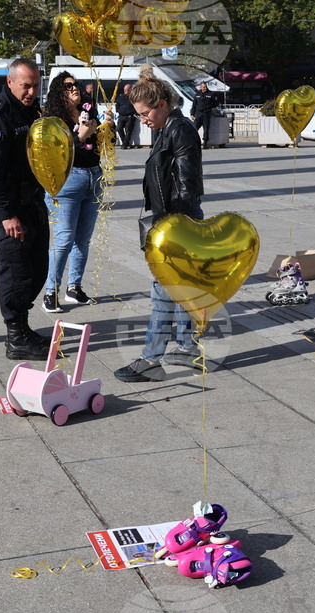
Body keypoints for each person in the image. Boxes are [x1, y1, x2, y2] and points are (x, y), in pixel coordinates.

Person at [114, 67, 204, 383]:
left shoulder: (180, 130)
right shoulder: (167, 129)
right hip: (172, 220)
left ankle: (151, 360)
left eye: (145, 113)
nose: (143, 120)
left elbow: (185, 184)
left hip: (178, 223)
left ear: (163, 102)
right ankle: (186, 349)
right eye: (138, 116)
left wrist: (170, 231)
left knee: (162, 291)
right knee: (178, 290)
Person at [0, 58, 54, 361]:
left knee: (38, 268)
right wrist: (6, 215)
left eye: (36, 85)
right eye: (26, 85)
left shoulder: (31, 110)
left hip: (32, 201)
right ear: (10, 82)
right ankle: (16, 335)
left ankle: (22, 323)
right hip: (10, 208)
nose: (32, 91)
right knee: (18, 271)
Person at [40, 73, 112, 314]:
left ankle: (74, 287)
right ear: (58, 92)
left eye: (76, 85)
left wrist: (107, 129)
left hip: (93, 175)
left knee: (83, 239)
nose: (75, 89)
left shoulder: (87, 111)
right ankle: (51, 291)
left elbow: (103, 146)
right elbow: (52, 151)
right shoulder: (52, 119)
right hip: (67, 180)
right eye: (68, 86)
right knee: (63, 240)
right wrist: (79, 136)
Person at [189, 81, 218, 149]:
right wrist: (192, 114)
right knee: (194, 128)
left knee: (206, 129)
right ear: (200, 87)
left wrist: (210, 107)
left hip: (206, 114)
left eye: (206, 87)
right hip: (198, 114)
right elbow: (194, 105)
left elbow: (216, 103)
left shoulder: (211, 94)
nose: (205, 88)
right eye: (203, 87)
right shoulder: (197, 95)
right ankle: (193, 142)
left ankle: (205, 143)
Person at [115, 83, 136, 149]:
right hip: (121, 115)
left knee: (128, 130)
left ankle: (125, 144)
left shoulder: (133, 97)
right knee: (119, 128)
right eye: (124, 90)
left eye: (126, 90)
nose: (125, 91)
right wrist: (118, 110)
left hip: (130, 116)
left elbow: (136, 106)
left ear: (130, 90)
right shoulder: (121, 97)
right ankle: (124, 141)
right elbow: (117, 105)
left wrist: (133, 112)